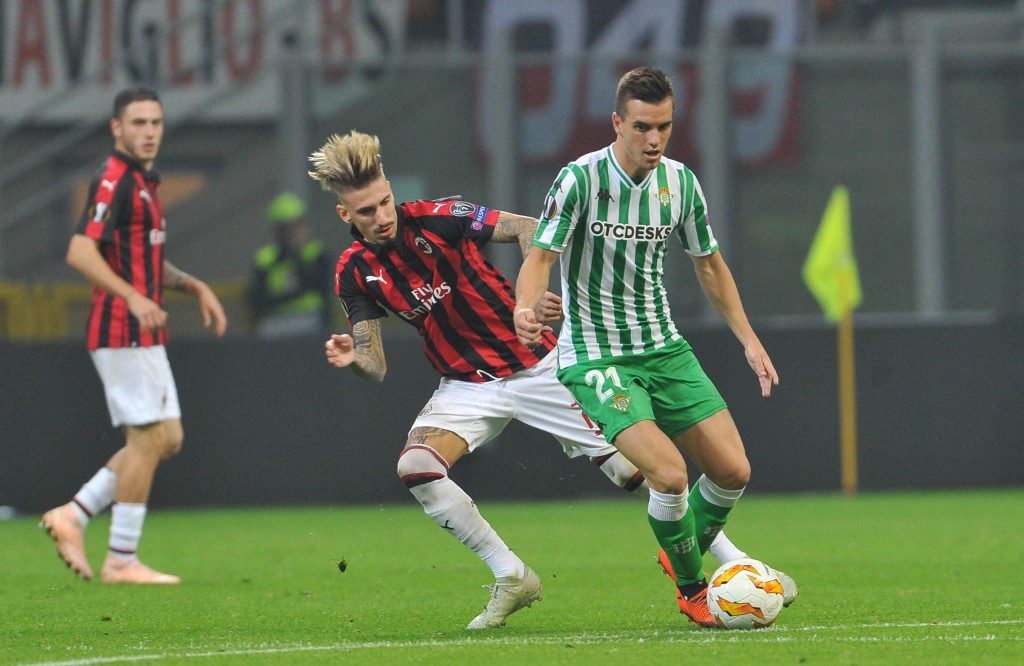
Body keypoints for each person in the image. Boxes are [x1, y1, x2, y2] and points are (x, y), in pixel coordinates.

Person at [308, 130, 793, 630]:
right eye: (366, 211)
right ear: (345, 215)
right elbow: (375, 365)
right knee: (416, 467)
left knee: (640, 472)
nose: (382, 216)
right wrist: (353, 357)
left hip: (540, 365)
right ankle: (511, 575)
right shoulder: (354, 272)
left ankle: (732, 562)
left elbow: (530, 229)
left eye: (385, 201)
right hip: (467, 386)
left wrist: (532, 301)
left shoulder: (439, 216)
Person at [514, 66, 783, 628]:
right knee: (670, 475)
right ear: (617, 123)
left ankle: (679, 546)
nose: (654, 139)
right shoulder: (580, 179)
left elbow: (709, 264)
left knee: (733, 471)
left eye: (664, 126)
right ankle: (692, 588)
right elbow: (540, 258)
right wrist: (525, 308)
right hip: (597, 357)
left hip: (664, 348)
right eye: (642, 127)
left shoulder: (681, 183)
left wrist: (749, 340)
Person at [40, 87, 227, 585]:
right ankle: (121, 558)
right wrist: (134, 297)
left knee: (167, 438)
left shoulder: (143, 180)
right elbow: (80, 251)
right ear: (116, 128)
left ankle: (74, 514)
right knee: (147, 438)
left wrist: (192, 285)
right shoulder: (114, 178)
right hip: (122, 327)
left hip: (139, 330)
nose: (149, 131)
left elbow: (141, 259)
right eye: (138, 122)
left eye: (155, 122)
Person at [249, 192, 335, 339]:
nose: (292, 232)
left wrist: (296, 255)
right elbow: (257, 300)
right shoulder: (265, 258)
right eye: (286, 228)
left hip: (311, 319)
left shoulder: (317, 253)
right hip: (275, 320)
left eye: (296, 225)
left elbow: (322, 287)